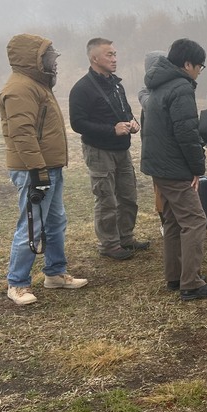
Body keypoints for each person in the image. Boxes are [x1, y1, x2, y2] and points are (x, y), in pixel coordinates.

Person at [0, 34, 88, 306]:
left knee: (55, 221)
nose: (54, 61)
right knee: (31, 225)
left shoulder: (37, 85)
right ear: (33, 59)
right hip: (33, 169)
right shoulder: (19, 89)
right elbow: (22, 134)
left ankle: (55, 272)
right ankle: (17, 284)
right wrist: (37, 170)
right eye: (48, 56)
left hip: (49, 167)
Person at [140, 38, 207, 301]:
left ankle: (175, 276)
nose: (200, 70)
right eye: (200, 65)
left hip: (159, 166)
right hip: (174, 167)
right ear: (187, 64)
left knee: (175, 221)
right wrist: (197, 169)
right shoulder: (181, 88)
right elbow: (187, 133)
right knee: (196, 220)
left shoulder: (159, 85)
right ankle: (192, 283)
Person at [69, 37, 148, 260]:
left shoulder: (116, 84)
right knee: (106, 199)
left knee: (128, 196)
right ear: (94, 58)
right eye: (109, 55)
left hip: (122, 149)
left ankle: (126, 237)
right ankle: (109, 245)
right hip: (99, 150)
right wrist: (110, 130)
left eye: (115, 54)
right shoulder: (82, 88)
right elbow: (78, 123)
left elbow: (124, 110)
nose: (115, 59)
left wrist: (132, 123)